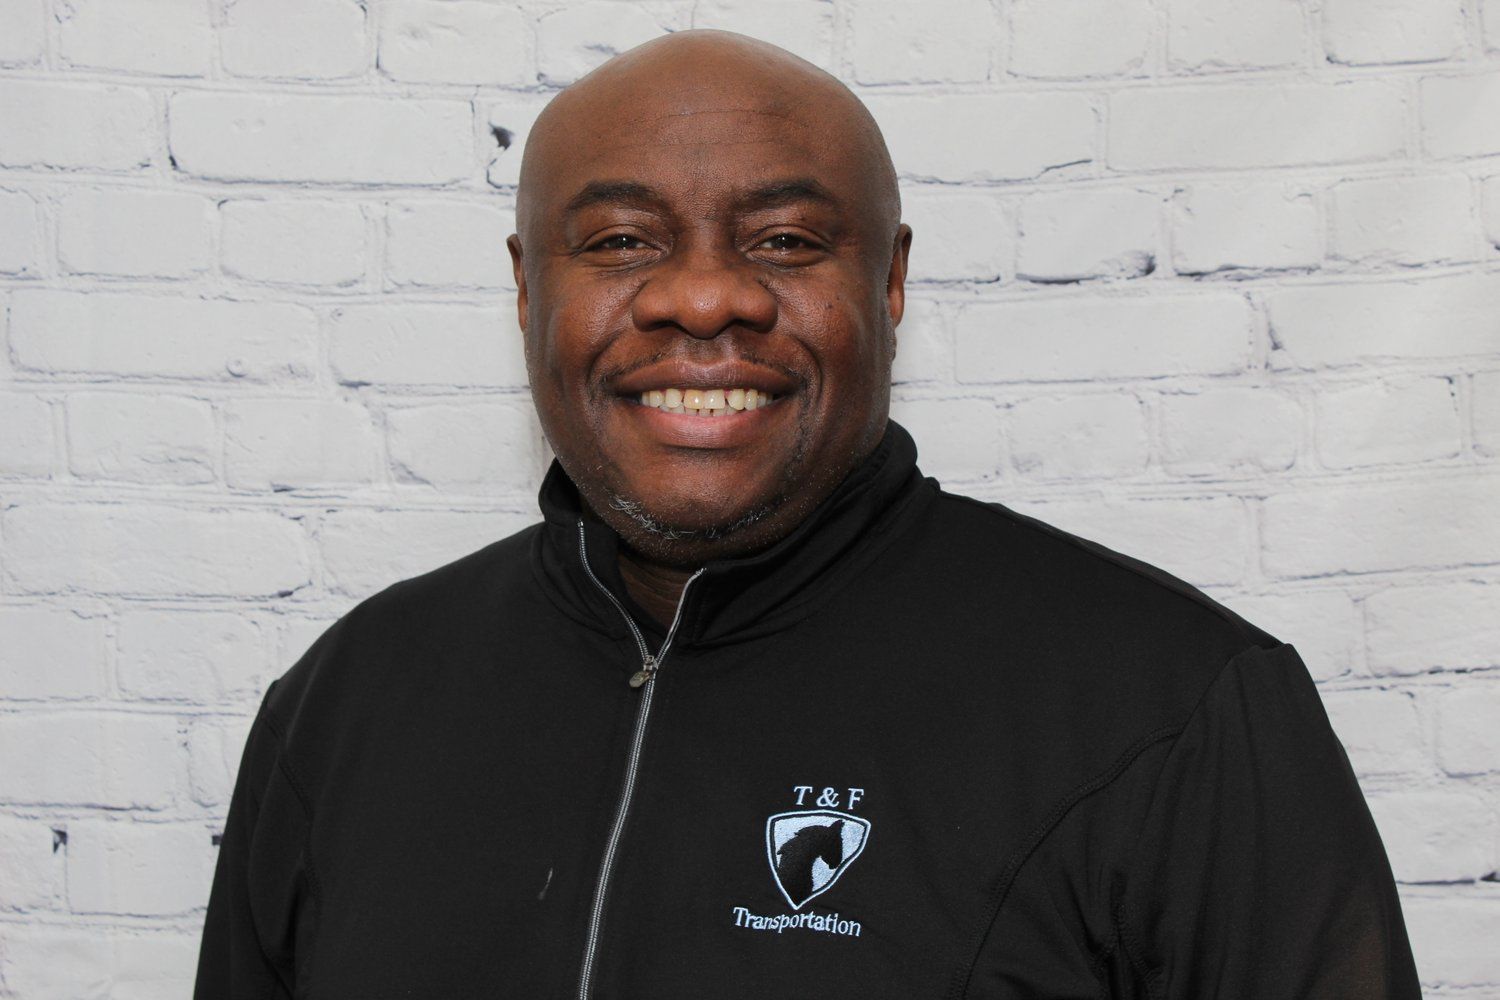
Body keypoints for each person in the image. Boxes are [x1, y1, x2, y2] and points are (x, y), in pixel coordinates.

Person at [194, 30, 1420, 999]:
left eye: (784, 240)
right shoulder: (350, 701)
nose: (704, 297)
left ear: (889, 279)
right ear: (528, 287)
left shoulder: (1175, 708)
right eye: (620, 240)